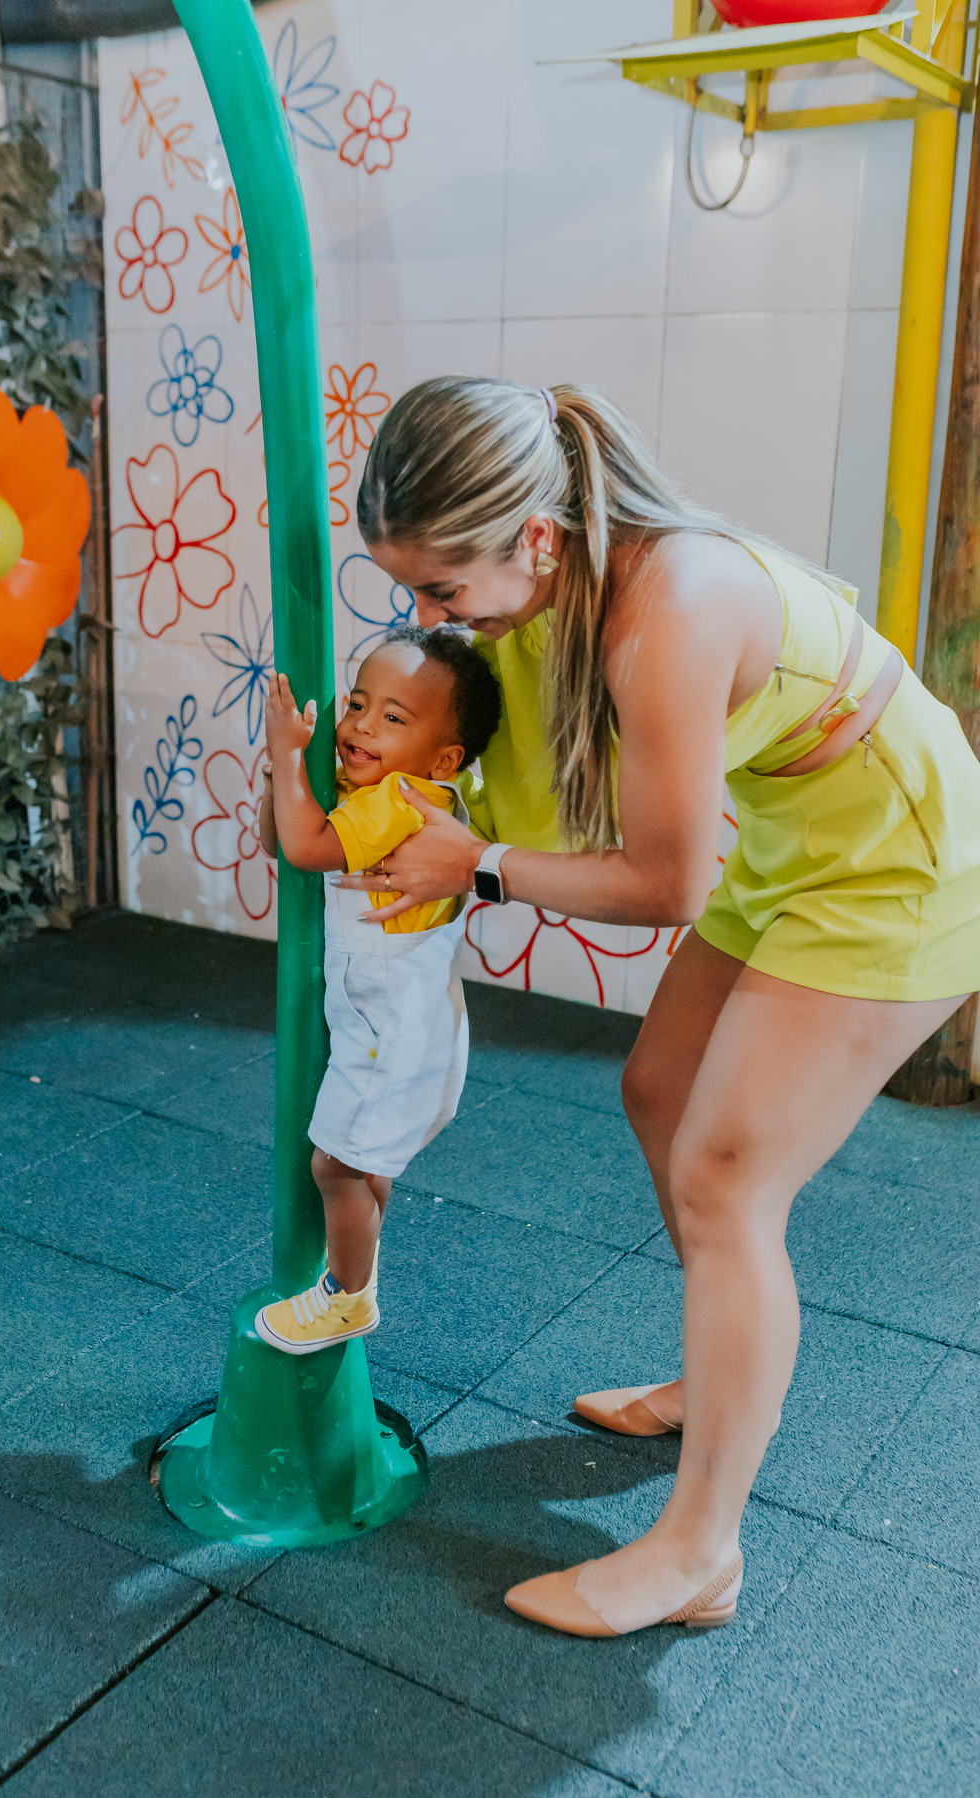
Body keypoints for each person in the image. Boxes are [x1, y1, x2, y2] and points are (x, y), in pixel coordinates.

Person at [336, 376, 980, 1636]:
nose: (430, 619)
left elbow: (665, 881)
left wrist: (475, 862)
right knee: (660, 1090)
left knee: (726, 1175)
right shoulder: (570, 577)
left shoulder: (662, 611)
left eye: (443, 592)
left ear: (533, 538)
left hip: (902, 859)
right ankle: (717, 1369)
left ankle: (701, 1550)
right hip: (804, 838)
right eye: (410, 591)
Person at [254, 624, 502, 1356]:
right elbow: (282, 837)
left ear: (444, 756)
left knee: (334, 1165)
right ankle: (354, 1271)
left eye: (393, 718)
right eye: (358, 704)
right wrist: (285, 776)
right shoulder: (390, 791)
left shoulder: (399, 799)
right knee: (363, 1165)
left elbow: (301, 848)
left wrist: (285, 754)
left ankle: (347, 1297)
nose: (360, 725)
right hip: (404, 1023)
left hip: (393, 1031)